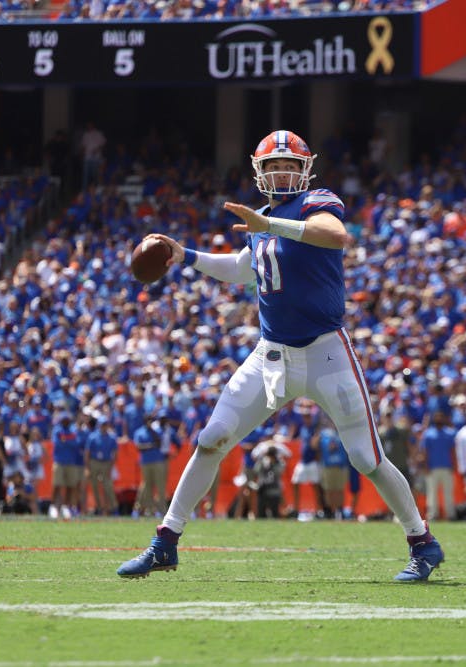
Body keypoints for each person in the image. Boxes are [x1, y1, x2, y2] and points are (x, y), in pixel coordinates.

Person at [118, 130, 444, 582]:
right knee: (212, 438)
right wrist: (184, 254)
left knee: (366, 458)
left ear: (306, 169)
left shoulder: (315, 202)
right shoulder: (264, 219)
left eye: (290, 164)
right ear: (260, 172)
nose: (282, 172)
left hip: (326, 351)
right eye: (273, 166)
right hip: (271, 355)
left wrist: (269, 225)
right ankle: (164, 544)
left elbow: (335, 237)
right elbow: (242, 269)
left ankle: (423, 543)